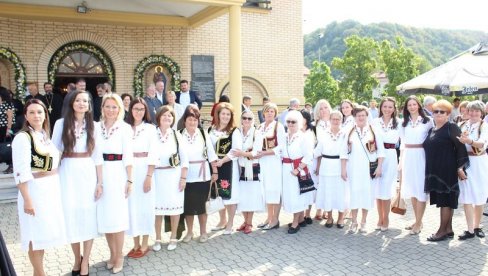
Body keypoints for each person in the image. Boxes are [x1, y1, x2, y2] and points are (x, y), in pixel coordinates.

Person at [12, 99, 66, 276]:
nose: (36, 115)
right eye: (32, 112)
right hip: (34, 191)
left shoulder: (43, 135)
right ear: (26, 116)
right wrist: (27, 199)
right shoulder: (23, 137)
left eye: (40, 112)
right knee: (34, 237)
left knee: (42, 237)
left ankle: (38, 273)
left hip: (48, 192)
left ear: (45, 115)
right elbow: (21, 171)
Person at [51, 90, 103, 276]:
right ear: (71, 103)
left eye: (85, 101)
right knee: (71, 216)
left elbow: (98, 157)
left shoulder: (95, 126)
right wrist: (52, 178)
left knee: (88, 217)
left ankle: (86, 261)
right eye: (78, 100)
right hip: (67, 173)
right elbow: (54, 151)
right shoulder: (60, 123)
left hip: (87, 173)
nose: (82, 104)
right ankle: (76, 258)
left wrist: (100, 183)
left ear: (89, 105)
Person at [97, 94, 133, 273]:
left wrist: (130, 179)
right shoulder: (96, 127)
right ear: (102, 108)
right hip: (100, 174)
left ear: (120, 109)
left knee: (117, 218)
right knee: (106, 218)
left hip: (118, 173)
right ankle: (112, 253)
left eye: (114, 107)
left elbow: (129, 156)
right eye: (107, 106)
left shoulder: (125, 128)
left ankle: (120, 255)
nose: (110, 110)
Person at [423, 99, 468, 242]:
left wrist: (460, 168)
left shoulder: (452, 127)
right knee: (446, 200)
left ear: (448, 114)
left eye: (442, 112)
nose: (438, 114)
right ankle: (448, 229)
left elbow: (461, 148)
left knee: (446, 201)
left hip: (447, 170)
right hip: (435, 170)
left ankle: (441, 231)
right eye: (436, 111)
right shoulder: (432, 129)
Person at [341, 106, 385, 234]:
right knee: (353, 194)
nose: (360, 118)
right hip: (353, 168)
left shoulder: (374, 131)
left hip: (368, 169)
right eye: (358, 116)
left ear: (367, 116)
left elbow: (381, 152)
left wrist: (379, 167)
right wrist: (343, 169)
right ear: (354, 117)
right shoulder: (349, 131)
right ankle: (354, 222)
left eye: (363, 115)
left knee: (367, 194)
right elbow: (343, 152)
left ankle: (363, 222)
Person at [180, 105, 218, 243]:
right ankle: (189, 232)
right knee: (188, 207)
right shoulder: (179, 134)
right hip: (186, 176)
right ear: (185, 120)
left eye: (195, 120)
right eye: (190, 119)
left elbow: (212, 155)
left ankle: (203, 232)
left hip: (203, 175)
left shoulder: (203, 134)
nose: (192, 122)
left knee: (203, 206)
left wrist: (215, 171)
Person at [153, 106, 188, 251]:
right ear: (159, 117)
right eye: (164, 115)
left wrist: (183, 178)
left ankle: (173, 236)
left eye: (170, 116)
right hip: (156, 175)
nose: (167, 118)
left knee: (174, 208)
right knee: (157, 209)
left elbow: (185, 159)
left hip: (174, 175)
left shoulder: (177, 135)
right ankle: (157, 238)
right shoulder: (152, 134)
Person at [125, 98, 157, 258]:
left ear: (146, 111)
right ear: (130, 110)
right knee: (132, 207)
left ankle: (145, 244)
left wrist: (149, 176)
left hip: (145, 169)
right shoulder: (125, 128)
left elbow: (154, 153)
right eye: (136, 109)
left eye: (142, 109)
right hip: (129, 170)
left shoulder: (150, 129)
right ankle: (135, 243)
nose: (138, 112)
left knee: (145, 207)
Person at [399, 96, 433, 235]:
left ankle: (419, 223)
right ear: (406, 108)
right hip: (408, 156)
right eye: (409, 105)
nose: (412, 107)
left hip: (421, 155)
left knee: (421, 190)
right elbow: (401, 143)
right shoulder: (403, 123)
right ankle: (417, 220)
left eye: (414, 104)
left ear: (419, 105)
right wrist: (401, 161)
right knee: (413, 190)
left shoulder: (427, 121)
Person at [209, 103, 242, 235]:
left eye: (228, 114)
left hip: (228, 166)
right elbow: (208, 147)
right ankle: (222, 220)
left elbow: (236, 150)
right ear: (218, 114)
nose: (225, 116)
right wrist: (214, 162)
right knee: (218, 194)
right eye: (223, 113)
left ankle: (230, 223)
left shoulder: (234, 131)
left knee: (230, 196)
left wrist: (222, 161)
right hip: (214, 165)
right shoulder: (211, 129)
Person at [457, 101, 488, 240]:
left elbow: (482, 143)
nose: (474, 114)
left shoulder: (484, 126)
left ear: (482, 113)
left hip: (479, 161)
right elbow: (456, 148)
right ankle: (469, 229)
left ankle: (477, 226)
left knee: (480, 195)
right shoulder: (461, 125)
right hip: (464, 162)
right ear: (467, 112)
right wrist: (458, 167)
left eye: (477, 111)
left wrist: (469, 141)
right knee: (466, 196)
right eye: (471, 111)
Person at [281, 110, 314, 234]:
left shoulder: (303, 137)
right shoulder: (284, 136)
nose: (290, 124)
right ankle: (300, 219)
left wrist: (298, 169)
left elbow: (308, 155)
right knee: (290, 195)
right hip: (286, 169)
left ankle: (295, 223)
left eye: (293, 122)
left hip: (296, 169)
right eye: (288, 121)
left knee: (297, 196)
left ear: (299, 123)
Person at [233, 110, 265, 234]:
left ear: (253, 121)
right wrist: (245, 153)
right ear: (241, 119)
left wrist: (242, 153)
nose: (246, 121)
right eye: (245, 118)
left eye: (249, 119)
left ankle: (250, 223)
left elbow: (256, 153)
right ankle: (245, 221)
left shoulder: (257, 133)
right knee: (243, 196)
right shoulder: (237, 132)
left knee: (251, 196)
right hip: (240, 167)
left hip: (252, 168)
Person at [314, 110, 346, 228]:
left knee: (340, 192)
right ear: (330, 120)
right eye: (334, 119)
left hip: (340, 165)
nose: (336, 121)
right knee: (328, 192)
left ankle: (341, 218)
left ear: (341, 120)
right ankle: (330, 217)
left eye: (338, 119)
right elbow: (317, 151)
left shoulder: (345, 134)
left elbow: (347, 152)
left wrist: (345, 169)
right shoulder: (323, 134)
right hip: (326, 166)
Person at [372, 97, 400, 231]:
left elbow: (405, 142)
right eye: (385, 106)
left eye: (390, 107)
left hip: (391, 155)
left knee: (387, 188)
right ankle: (379, 217)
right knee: (378, 188)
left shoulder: (399, 123)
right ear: (381, 108)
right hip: (377, 155)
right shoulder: (375, 122)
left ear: (394, 109)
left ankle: (386, 217)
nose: (387, 109)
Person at [256, 103, 285, 230]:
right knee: (267, 189)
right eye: (267, 111)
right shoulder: (260, 127)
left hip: (273, 161)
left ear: (275, 113)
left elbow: (281, 147)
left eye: (272, 111)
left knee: (275, 189)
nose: (269, 113)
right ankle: (268, 217)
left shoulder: (279, 126)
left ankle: (275, 219)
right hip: (263, 162)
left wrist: (265, 153)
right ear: (263, 113)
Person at [311, 99, 332, 220]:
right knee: (318, 183)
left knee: (327, 184)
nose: (324, 110)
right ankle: (318, 209)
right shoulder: (315, 125)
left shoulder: (334, 122)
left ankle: (326, 210)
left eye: (325, 107)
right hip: (318, 157)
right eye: (321, 108)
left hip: (331, 158)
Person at [301, 110, 317, 224]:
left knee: (309, 188)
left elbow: (310, 150)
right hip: (298, 163)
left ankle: (308, 214)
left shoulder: (310, 132)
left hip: (308, 163)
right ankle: (301, 214)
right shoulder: (296, 130)